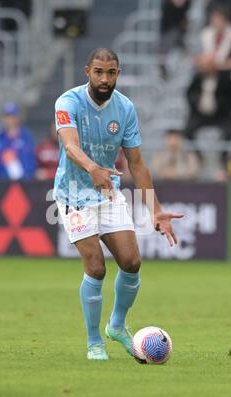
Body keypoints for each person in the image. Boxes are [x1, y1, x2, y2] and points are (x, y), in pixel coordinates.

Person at [54, 48, 184, 361]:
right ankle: (94, 341)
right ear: (87, 71)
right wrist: (93, 168)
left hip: (108, 193)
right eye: (98, 71)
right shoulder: (67, 101)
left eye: (111, 72)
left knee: (132, 262)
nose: (104, 78)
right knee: (96, 267)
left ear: (118, 74)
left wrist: (155, 209)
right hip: (73, 194)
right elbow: (70, 145)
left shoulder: (125, 108)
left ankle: (116, 325)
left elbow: (136, 164)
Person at [185, 6, 231, 166]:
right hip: (201, 110)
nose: (215, 22)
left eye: (218, 19)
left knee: (229, 131)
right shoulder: (205, 37)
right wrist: (196, 105)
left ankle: (224, 163)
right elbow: (189, 92)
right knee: (188, 130)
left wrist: (219, 65)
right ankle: (198, 160)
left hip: (221, 110)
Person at [0, 102, 36, 180]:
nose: (10, 120)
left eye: (12, 116)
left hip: (23, 184)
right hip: (0, 184)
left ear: (17, 117)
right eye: (7, 117)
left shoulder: (26, 136)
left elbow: (30, 161)